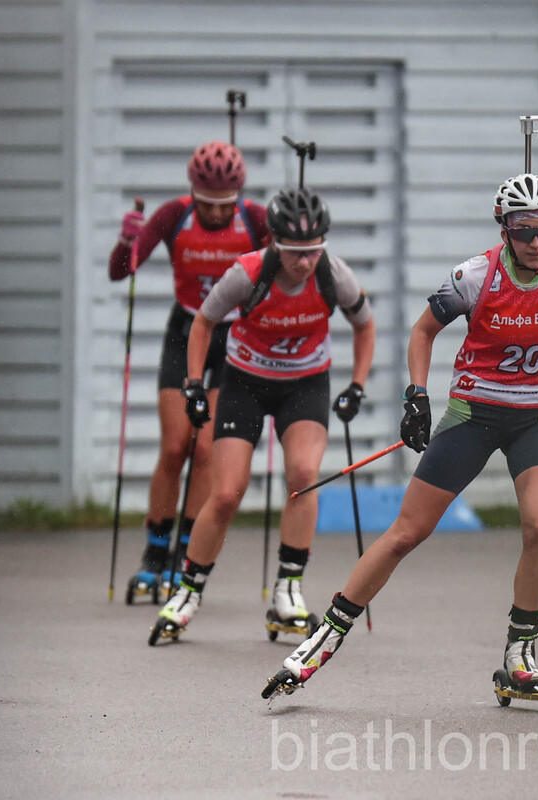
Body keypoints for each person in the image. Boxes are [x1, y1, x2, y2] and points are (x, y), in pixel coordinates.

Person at [266, 173, 538, 694]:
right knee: (407, 533)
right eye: (523, 230)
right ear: (504, 230)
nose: (535, 242)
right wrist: (417, 395)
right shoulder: (475, 276)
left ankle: (521, 652)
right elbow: (423, 331)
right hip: (474, 415)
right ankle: (322, 639)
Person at [150, 185, 376, 643]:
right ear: (275, 242)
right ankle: (187, 592)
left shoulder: (335, 274)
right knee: (227, 493)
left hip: (305, 384)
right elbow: (202, 322)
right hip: (245, 383)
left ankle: (288, 591)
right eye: (295, 252)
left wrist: (357, 385)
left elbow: (365, 325)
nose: (305, 262)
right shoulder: (248, 273)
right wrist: (194, 384)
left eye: (313, 250)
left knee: (303, 476)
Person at [109, 141, 271, 602]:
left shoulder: (255, 219)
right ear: (193, 194)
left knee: (204, 451)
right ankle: (153, 552)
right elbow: (121, 271)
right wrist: (127, 241)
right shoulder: (173, 215)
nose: (216, 213)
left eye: (225, 205)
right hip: (185, 333)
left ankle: (184, 553)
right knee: (175, 445)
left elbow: (285, 270)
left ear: (238, 196)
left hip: (232, 338)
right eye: (206, 204)